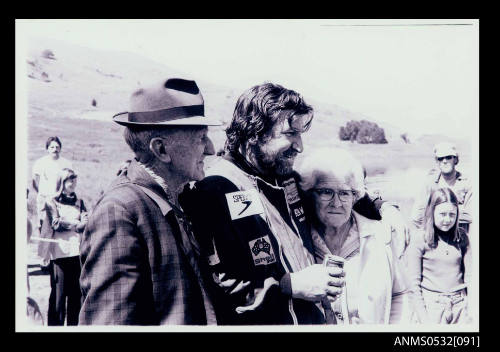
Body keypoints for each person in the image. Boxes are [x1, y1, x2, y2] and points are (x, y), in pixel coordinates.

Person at [180, 83, 403, 325]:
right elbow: (219, 288)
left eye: (300, 135)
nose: (300, 146)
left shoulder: (287, 180)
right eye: (290, 134)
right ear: (255, 132)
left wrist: (383, 207)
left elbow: (340, 192)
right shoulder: (215, 189)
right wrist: (290, 285)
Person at [79, 78, 221, 325]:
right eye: (201, 138)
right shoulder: (120, 212)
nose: (210, 149)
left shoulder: (176, 198)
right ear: (161, 150)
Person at [297, 148, 410, 324]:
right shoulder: (298, 240)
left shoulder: (380, 235)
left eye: (344, 193)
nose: (337, 203)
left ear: (355, 196)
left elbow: (400, 295)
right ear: (311, 194)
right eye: (326, 192)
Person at [406, 187, 471, 324]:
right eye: (442, 214)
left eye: (452, 214)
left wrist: (471, 310)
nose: (447, 219)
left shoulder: (462, 237)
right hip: (432, 308)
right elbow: (413, 285)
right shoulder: (420, 239)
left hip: (460, 307)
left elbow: (471, 277)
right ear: (432, 212)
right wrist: (425, 320)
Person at [38, 168, 88, 325]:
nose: (73, 183)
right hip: (59, 254)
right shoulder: (51, 201)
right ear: (62, 182)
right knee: (58, 298)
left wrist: (82, 223)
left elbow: (86, 222)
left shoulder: (80, 202)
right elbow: (56, 223)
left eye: (74, 179)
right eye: (69, 180)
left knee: (76, 296)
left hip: (77, 253)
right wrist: (76, 224)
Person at [411, 142, 472, 235]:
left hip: (459, 236)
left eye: (448, 157)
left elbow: (472, 215)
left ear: (455, 160)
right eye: (440, 158)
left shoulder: (468, 183)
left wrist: (437, 211)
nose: (444, 161)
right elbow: (416, 216)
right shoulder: (429, 182)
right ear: (437, 161)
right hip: (434, 236)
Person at [32, 136, 73, 231]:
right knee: (43, 224)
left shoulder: (66, 163)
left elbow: (71, 181)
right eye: (52, 147)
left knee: (59, 225)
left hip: (61, 200)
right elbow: (34, 181)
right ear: (47, 149)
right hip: (44, 198)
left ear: (60, 148)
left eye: (57, 147)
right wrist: (41, 194)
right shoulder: (40, 162)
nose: (55, 149)